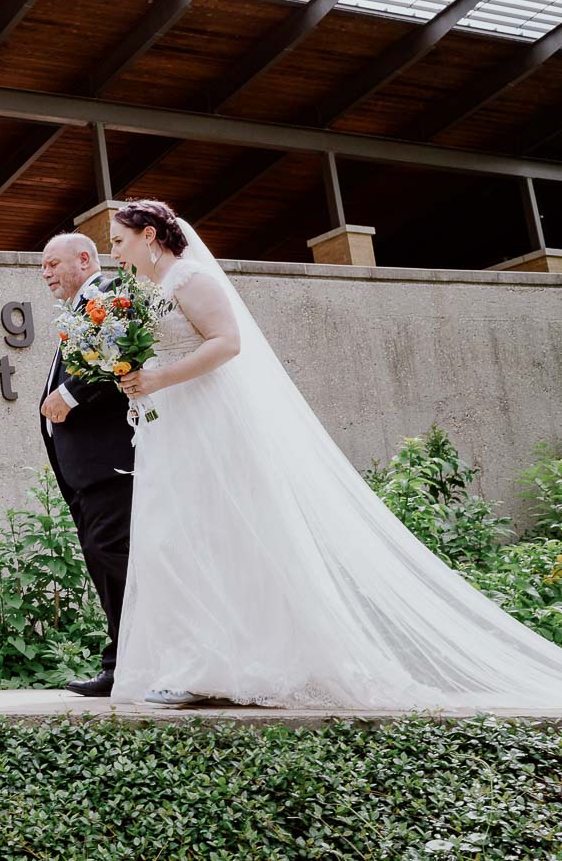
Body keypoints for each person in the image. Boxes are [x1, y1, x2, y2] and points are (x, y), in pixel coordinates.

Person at [108, 199, 562, 708]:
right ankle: (194, 660)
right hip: (169, 425)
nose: (114, 252)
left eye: (118, 242)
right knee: (175, 538)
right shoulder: (145, 293)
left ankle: (221, 667)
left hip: (208, 422)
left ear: (149, 236)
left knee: (218, 532)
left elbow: (228, 342)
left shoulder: (191, 279)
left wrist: (162, 376)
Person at [37, 233, 135, 698]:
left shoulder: (105, 300)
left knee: (113, 557)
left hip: (110, 464)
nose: (46, 272)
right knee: (107, 559)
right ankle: (125, 661)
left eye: (53, 263)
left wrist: (69, 396)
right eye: (43, 266)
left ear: (84, 259)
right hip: (84, 473)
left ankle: (126, 665)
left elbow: (117, 362)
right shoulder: (79, 310)